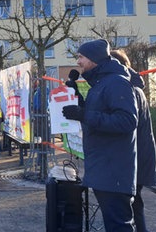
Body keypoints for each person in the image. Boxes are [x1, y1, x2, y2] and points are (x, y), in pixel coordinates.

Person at [62, 39, 138, 232]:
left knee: (119, 225)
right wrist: (77, 99)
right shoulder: (101, 83)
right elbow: (97, 113)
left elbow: (127, 121)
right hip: (104, 167)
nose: (78, 62)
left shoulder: (116, 83)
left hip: (114, 170)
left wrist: (84, 114)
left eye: (81, 57)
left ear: (94, 59)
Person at [110, 49, 156, 232]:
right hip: (139, 155)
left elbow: (124, 124)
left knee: (130, 205)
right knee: (134, 203)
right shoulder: (134, 86)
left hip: (134, 157)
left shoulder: (128, 89)